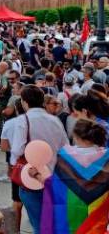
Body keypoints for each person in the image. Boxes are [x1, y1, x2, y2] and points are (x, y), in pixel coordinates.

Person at [9, 85, 68, 234]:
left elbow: (17, 150)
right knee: (54, 223)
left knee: (39, 225)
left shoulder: (23, 120)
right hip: (54, 178)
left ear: (24, 102)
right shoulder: (55, 120)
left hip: (33, 178)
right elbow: (65, 147)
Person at [36, 118, 109, 233]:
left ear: (76, 137)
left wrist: (37, 175)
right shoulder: (106, 157)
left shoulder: (64, 157)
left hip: (69, 213)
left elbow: (54, 186)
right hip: (97, 213)